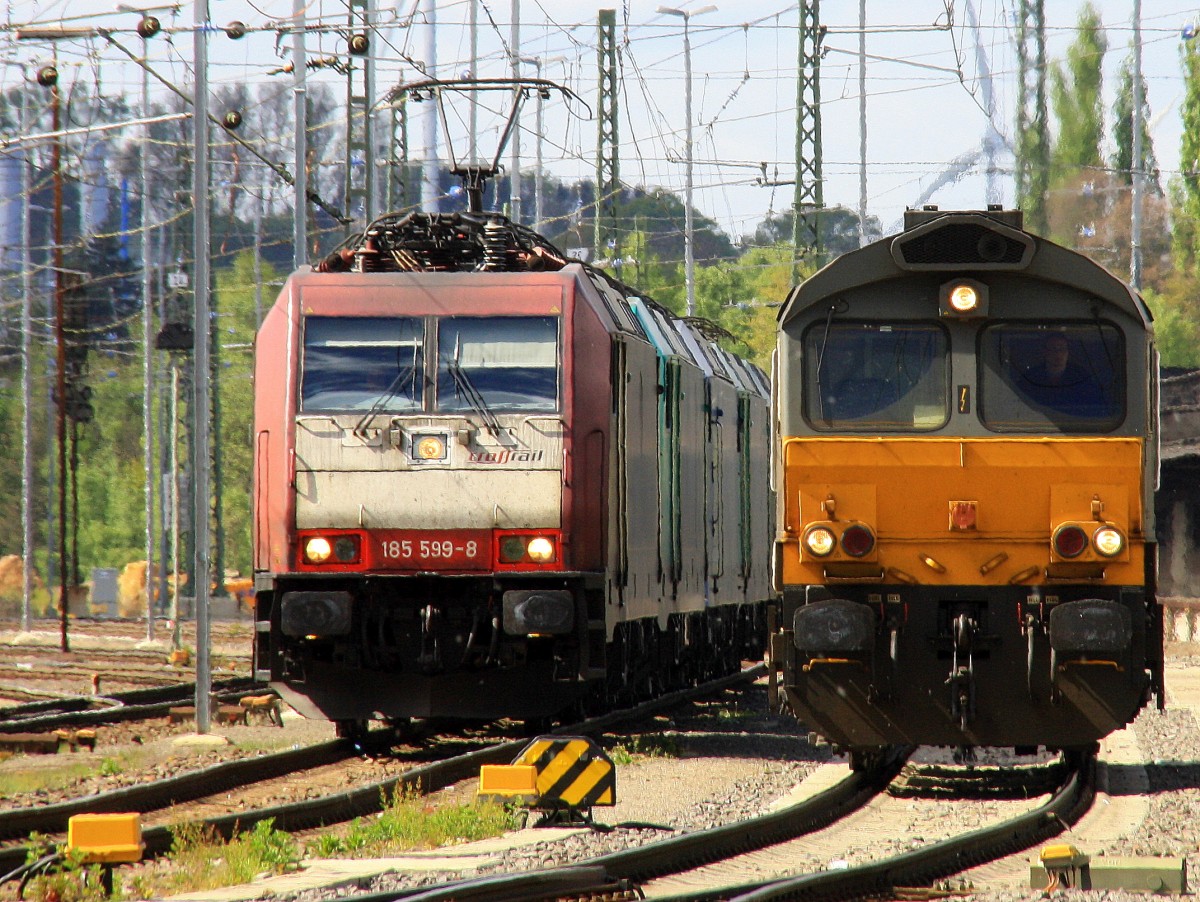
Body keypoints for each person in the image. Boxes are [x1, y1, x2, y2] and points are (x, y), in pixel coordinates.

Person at [1016, 332, 1106, 417]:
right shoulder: (1031, 377)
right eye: (1053, 349)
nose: (1058, 353)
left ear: (1068, 352)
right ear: (1045, 352)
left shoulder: (1081, 376)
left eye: (1062, 349)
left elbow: (1095, 407)